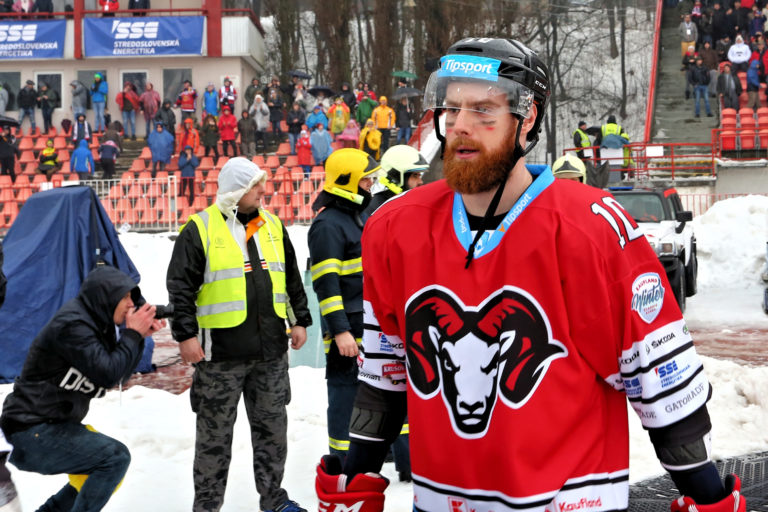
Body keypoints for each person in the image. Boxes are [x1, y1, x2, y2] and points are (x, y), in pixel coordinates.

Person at [314, 36, 747, 512]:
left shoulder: (591, 226)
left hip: (567, 502)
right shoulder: (396, 226)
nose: (460, 125)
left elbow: (656, 376)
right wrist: (356, 476)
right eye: (452, 109)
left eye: (483, 110)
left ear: (528, 118)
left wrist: (705, 492)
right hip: (439, 500)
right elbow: (388, 371)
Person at [166, 157, 312, 512]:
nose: (263, 191)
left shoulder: (273, 226)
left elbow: (291, 278)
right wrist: (186, 335)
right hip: (221, 358)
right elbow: (180, 288)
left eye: (261, 183)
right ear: (235, 191)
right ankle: (207, 506)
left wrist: (300, 320)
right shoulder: (200, 229)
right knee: (214, 440)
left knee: (273, 434)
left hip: (271, 353)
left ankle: (274, 500)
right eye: (254, 186)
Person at [0, 266, 163, 512]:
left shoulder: (99, 326)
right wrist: (131, 335)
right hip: (28, 430)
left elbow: (118, 375)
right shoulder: (73, 325)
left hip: (50, 426)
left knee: (103, 468)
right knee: (113, 458)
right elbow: (107, 373)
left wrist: (138, 338)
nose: (131, 304)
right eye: (126, 297)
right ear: (107, 295)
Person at [307, 148, 379, 462]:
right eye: (366, 181)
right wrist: (340, 331)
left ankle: (361, 454)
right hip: (345, 331)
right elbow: (326, 285)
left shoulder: (354, 218)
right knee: (343, 394)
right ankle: (340, 461)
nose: (371, 185)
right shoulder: (328, 226)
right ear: (348, 182)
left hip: (362, 324)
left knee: (365, 393)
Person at [364, 144, 428, 216]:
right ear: (396, 177)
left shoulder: (410, 205)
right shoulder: (376, 211)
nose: (420, 182)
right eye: (415, 175)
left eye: (419, 175)